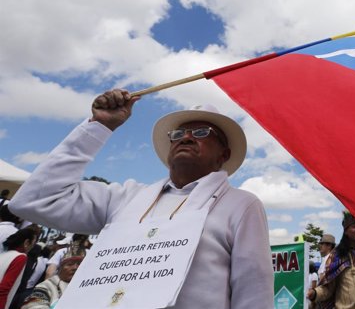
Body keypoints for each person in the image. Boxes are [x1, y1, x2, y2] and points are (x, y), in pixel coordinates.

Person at [9, 89, 273, 308]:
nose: (188, 138)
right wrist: (100, 126)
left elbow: (253, 291)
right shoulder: (126, 197)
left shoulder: (241, 204)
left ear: (223, 155)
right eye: (178, 135)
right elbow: (34, 201)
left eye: (202, 133)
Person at [0, 229, 37, 309]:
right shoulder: (20, 257)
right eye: (33, 244)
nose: (32, 248)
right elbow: (3, 289)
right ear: (26, 243)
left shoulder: (4, 254)